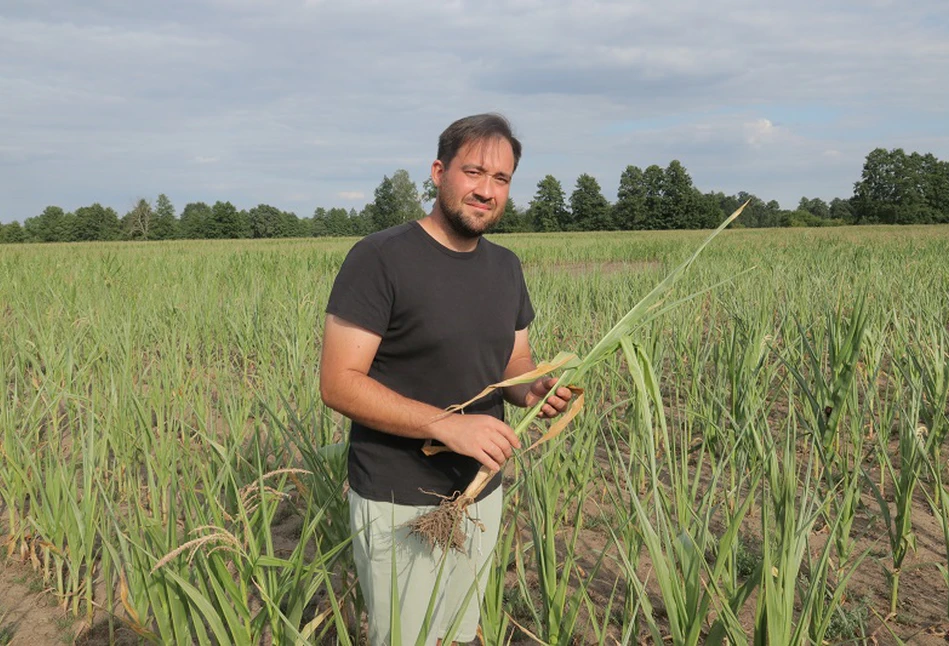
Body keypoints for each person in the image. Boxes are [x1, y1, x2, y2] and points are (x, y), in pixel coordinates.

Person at [319, 113, 572, 645]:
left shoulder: (505, 268)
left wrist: (534, 390)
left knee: (457, 634)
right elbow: (339, 382)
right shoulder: (380, 258)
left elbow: (513, 363)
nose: (486, 190)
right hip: (398, 499)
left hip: (480, 494)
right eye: (473, 172)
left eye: (500, 179)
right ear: (439, 172)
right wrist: (448, 426)